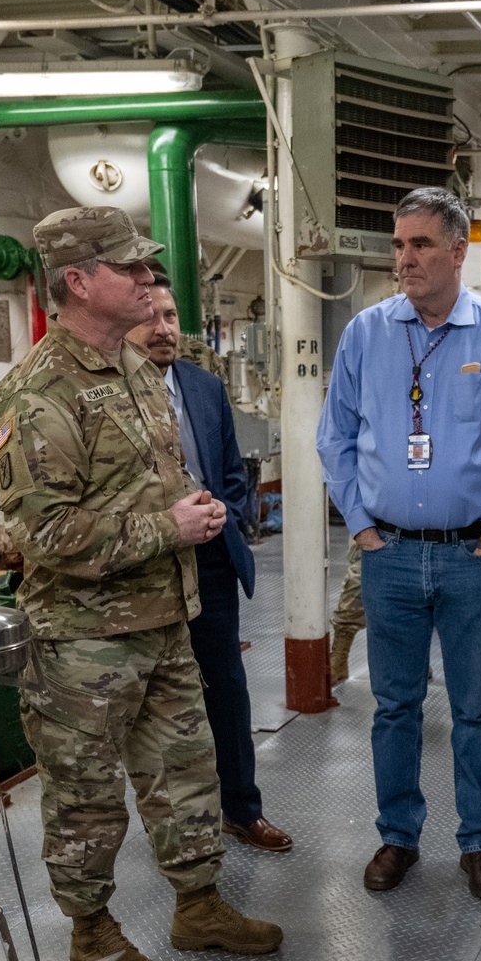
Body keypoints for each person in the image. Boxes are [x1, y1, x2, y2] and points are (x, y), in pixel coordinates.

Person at [0, 206, 283, 961]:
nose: (151, 280)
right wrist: (168, 526)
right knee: (86, 797)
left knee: (186, 775)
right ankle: (92, 931)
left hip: (164, 622)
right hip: (83, 642)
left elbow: (150, 482)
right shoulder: (34, 395)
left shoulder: (140, 371)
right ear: (77, 282)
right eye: (131, 269)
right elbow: (45, 535)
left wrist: (199, 512)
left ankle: (199, 905)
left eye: (149, 268)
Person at [317, 186, 481, 900]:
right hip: (387, 553)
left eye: (420, 245)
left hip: (470, 557)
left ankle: (479, 841)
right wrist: (360, 527)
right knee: (394, 706)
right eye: (398, 245)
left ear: (459, 251)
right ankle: (398, 835)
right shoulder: (366, 333)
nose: (404, 259)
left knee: (476, 707)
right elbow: (335, 438)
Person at [126, 277, 292, 853]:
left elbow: (231, 473)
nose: (163, 328)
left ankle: (241, 809)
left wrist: (226, 511)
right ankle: (171, 827)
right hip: (145, 568)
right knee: (156, 703)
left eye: (171, 316)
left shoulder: (202, 385)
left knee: (225, 688)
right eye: (149, 317)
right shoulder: (111, 397)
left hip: (212, 563)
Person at [329, 536, 365, 684]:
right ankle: (339, 658)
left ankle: (415, 658)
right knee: (357, 584)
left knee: (412, 597)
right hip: (373, 525)